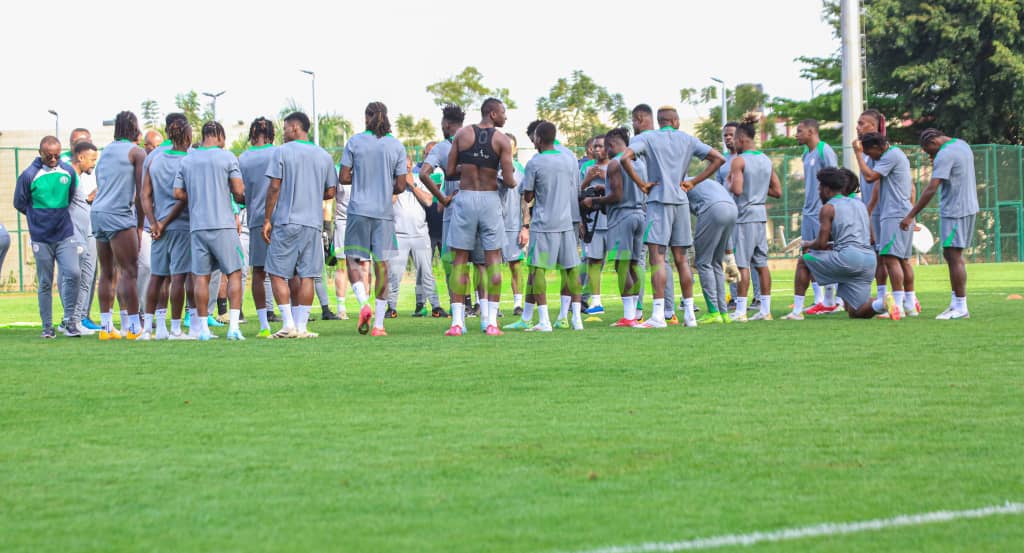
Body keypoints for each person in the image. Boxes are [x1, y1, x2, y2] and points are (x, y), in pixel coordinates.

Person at [620, 104, 725, 328]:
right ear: (676, 121)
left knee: (657, 258)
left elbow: (624, 157)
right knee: (682, 260)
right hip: (681, 201)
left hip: (659, 201)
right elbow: (718, 158)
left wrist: (641, 184)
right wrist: (693, 182)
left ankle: (658, 315)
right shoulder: (688, 139)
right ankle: (690, 314)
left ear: (660, 121)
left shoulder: (649, 137)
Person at [441, 97, 516, 336]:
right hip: (489, 198)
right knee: (493, 260)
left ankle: (457, 323)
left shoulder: (462, 135)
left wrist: (467, 167)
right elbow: (512, 181)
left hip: (465, 198)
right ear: (492, 114)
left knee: (460, 262)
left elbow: (450, 171)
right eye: (503, 112)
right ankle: (491, 321)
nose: (505, 116)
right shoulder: (502, 140)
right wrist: (500, 173)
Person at [263, 112, 338, 339]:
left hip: (286, 221)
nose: (283, 132)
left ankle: (287, 324)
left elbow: (274, 187)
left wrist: (267, 219)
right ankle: (302, 326)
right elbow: (331, 191)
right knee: (308, 275)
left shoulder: (282, 152)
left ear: (295, 128)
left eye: (285, 128)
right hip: (313, 223)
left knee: (276, 272)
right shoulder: (324, 155)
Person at [173, 121, 246, 341]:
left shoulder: (187, 160)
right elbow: (239, 191)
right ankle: (233, 327)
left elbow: (177, 192)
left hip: (198, 226)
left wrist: (196, 197)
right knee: (234, 273)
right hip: (223, 224)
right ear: (219, 136)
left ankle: (203, 329)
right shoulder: (227, 157)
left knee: (201, 277)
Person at [340, 102, 407, 337]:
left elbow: (343, 176)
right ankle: (379, 324)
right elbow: (401, 184)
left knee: (353, 261)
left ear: (367, 117)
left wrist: (362, 176)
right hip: (384, 213)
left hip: (358, 209)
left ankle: (362, 303)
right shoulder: (396, 145)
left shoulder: (355, 141)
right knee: (382, 266)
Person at [784, 167, 884, 320]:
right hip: (869, 261)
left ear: (826, 189)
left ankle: (797, 312)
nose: (818, 192)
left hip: (848, 260)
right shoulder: (861, 205)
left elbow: (821, 244)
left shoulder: (828, 208)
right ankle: (882, 304)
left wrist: (806, 243)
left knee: (804, 261)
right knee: (855, 311)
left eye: (819, 188)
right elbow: (871, 239)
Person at [901, 129, 979, 320]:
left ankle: (960, 306)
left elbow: (932, 188)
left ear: (935, 141)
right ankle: (957, 304)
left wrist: (911, 215)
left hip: (955, 210)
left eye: (929, 151)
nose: (931, 156)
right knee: (952, 254)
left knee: (953, 255)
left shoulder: (944, 153)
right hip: (968, 206)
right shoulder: (962, 144)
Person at [13, 136, 81, 338]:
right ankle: (47, 327)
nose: (53, 159)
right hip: (41, 237)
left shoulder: (68, 171)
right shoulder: (29, 175)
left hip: (64, 234)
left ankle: (69, 321)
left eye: (57, 155)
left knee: (74, 273)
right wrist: (38, 217)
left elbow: (69, 198)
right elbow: (19, 202)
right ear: (40, 153)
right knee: (45, 282)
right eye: (49, 156)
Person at [521, 121, 583, 332]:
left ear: (538, 138)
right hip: (566, 221)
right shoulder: (568, 159)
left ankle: (544, 320)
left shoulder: (535, 162)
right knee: (571, 270)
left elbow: (528, 195)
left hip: (543, 223)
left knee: (538, 270)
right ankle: (576, 319)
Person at [583, 127, 648, 327]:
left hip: (622, 216)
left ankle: (628, 317)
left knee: (622, 265)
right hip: (640, 215)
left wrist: (594, 201)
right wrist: (606, 188)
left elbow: (617, 196)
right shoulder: (639, 163)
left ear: (612, 145)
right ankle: (637, 313)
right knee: (635, 265)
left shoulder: (614, 163)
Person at [92, 111, 147, 339]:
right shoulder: (137, 152)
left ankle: (106, 328)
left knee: (106, 272)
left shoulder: (105, 152)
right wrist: (140, 225)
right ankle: (134, 327)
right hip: (119, 214)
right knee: (129, 271)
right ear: (135, 128)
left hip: (98, 213)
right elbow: (141, 194)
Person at [140, 116, 193, 340]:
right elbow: (184, 198)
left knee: (158, 276)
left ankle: (152, 328)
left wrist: (153, 222)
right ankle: (175, 329)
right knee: (178, 278)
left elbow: (144, 194)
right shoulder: (189, 161)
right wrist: (164, 222)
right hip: (180, 225)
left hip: (157, 227)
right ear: (187, 136)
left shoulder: (155, 159)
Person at [727, 113, 781, 322]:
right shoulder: (765, 160)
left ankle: (740, 310)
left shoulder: (739, 160)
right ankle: (765, 309)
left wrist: (730, 181)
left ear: (741, 139)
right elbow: (777, 191)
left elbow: (738, 189)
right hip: (760, 216)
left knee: (741, 264)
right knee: (761, 263)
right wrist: (758, 189)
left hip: (743, 216)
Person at [856, 132, 915, 320]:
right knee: (904, 260)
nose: (869, 156)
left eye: (868, 152)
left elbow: (870, 177)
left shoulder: (890, 156)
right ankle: (909, 303)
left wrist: (857, 154)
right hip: (902, 212)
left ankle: (897, 305)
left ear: (878, 147)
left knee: (890, 258)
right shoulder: (896, 154)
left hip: (894, 213)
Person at [419, 104, 466, 315]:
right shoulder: (476, 141)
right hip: (480, 204)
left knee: (452, 260)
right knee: (482, 261)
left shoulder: (441, 147)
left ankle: (458, 307)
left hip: (455, 207)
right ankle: (484, 312)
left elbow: (424, 174)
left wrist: (443, 199)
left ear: (446, 125)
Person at [795, 118, 841, 314]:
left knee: (826, 251)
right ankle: (818, 298)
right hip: (808, 210)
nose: (796, 134)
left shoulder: (825, 150)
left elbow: (836, 179)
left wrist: (831, 208)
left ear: (811, 132)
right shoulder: (806, 153)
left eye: (799, 131)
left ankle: (833, 300)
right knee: (808, 254)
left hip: (822, 211)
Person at [388, 155, 442, 317]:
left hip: (420, 234)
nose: (407, 170)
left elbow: (428, 201)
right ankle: (391, 308)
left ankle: (436, 306)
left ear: (412, 166)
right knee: (395, 273)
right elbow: (389, 201)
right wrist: (399, 185)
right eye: (403, 168)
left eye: (409, 167)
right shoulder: (392, 181)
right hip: (399, 234)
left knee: (426, 272)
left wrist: (412, 185)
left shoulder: (421, 180)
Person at [239, 117, 278, 337]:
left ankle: (264, 325)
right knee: (285, 272)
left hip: (255, 219)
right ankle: (292, 320)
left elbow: (238, 192)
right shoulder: (279, 153)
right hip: (279, 219)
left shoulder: (243, 158)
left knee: (258, 273)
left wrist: (251, 199)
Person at [685, 175, 738, 324]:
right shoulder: (706, 182)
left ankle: (713, 311)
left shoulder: (681, 186)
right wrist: (729, 254)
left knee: (703, 263)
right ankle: (723, 313)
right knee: (715, 263)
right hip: (732, 209)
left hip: (712, 210)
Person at [67, 140, 99, 334]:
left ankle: (74, 320)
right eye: (92, 159)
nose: (93, 164)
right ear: (81, 157)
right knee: (78, 278)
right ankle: (72, 321)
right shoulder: (69, 176)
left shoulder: (76, 177)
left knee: (84, 279)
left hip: (86, 233)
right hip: (76, 237)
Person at [499, 133, 529, 317]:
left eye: (510, 147)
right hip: (493, 225)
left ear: (515, 149)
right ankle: (490, 305)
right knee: (489, 266)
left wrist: (525, 226)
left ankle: (518, 304)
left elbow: (525, 200)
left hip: (513, 226)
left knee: (515, 266)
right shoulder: (492, 168)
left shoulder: (520, 170)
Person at [580, 134, 610, 314]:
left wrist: (606, 177)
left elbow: (623, 188)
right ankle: (594, 302)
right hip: (594, 224)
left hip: (614, 221)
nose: (597, 150)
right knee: (593, 261)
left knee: (625, 262)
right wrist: (588, 179)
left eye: (601, 146)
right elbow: (578, 192)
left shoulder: (617, 165)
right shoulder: (586, 167)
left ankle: (633, 307)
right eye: (595, 146)